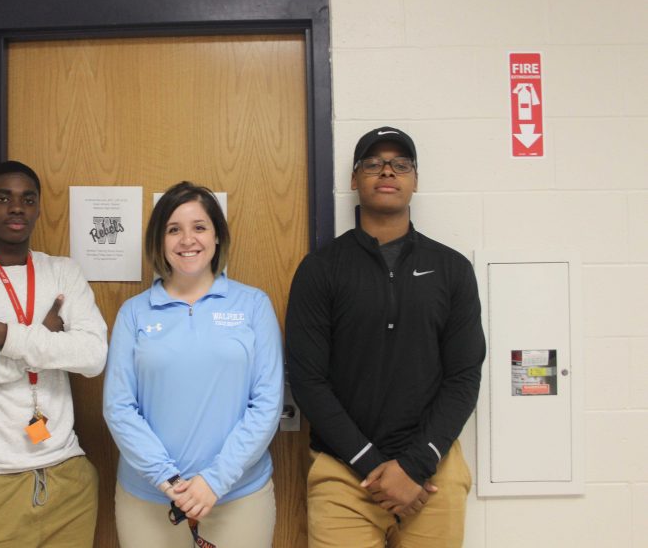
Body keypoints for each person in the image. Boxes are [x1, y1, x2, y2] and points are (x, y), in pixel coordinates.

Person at [285, 127, 486, 548]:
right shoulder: (321, 269)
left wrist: (415, 466)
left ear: (415, 179)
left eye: (401, 164)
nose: (387, 172)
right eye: (373, 164)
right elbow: (307, 380)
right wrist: (372, 466)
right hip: (344, 474)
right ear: (355, 180)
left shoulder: (451, 269)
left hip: (433, 472)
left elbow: (464, 377)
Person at [0, 160, 107, 547]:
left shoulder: (62, 272)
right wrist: (42, 344)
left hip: (65, 479)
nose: (16, 207)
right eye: (3, 198)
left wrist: (4, 335)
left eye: (27, 199)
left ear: (39, 208)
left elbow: (93, 356)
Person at [103, 181, 284, 548]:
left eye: (199, 227)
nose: (188, 240)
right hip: (150, 498)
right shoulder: (134, 314)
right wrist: (167, 479)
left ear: (217, 237)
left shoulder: (252, 305)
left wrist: (214, 481)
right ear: (159, 241)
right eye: (174, 229)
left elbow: (266, 405)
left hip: (239, 496)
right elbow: (119, 407)